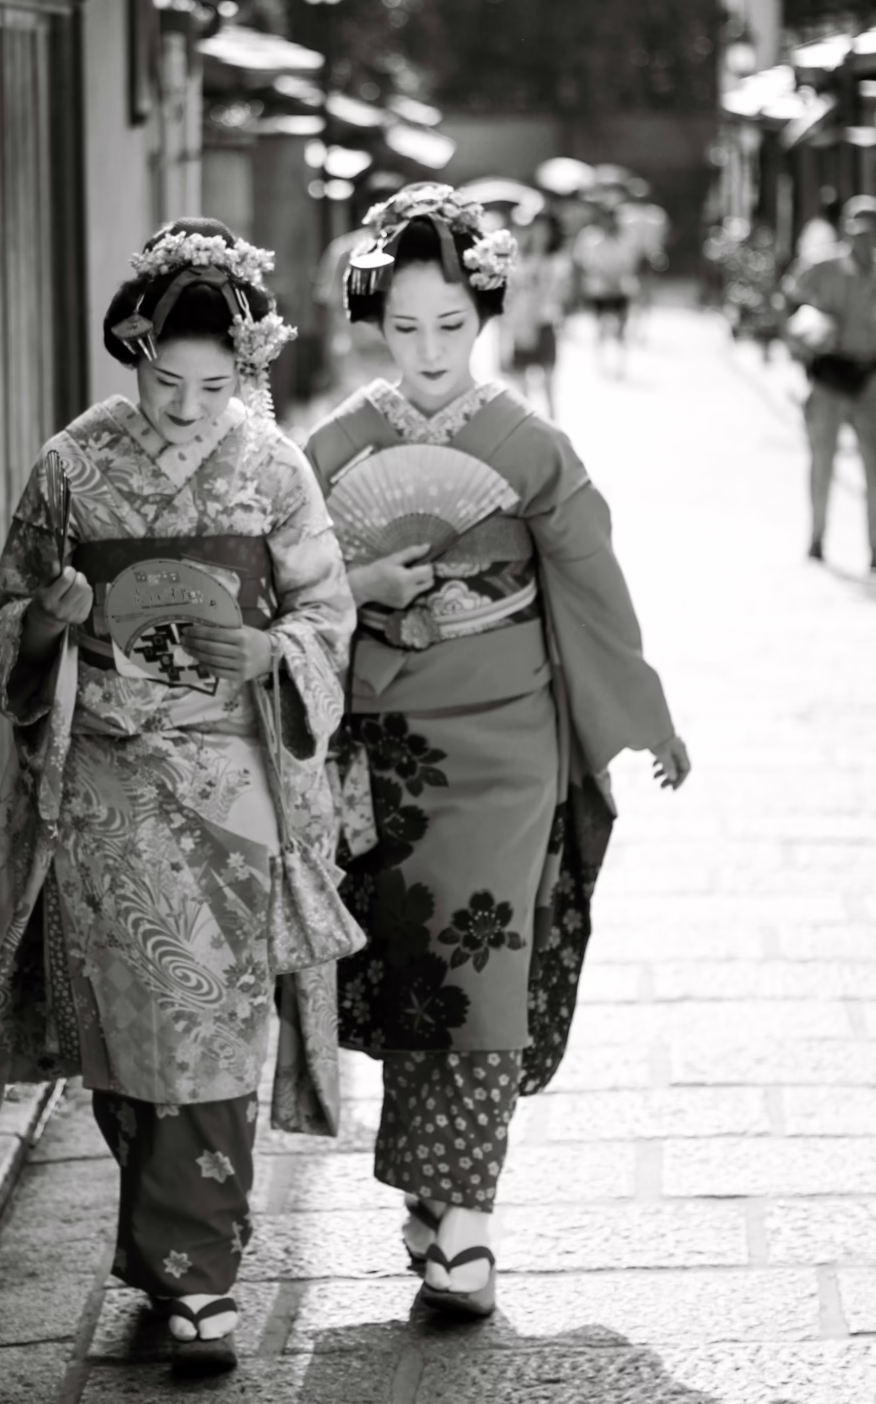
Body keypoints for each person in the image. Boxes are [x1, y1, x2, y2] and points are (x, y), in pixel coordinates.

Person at [0, 218, 357, 1372]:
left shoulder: (274, 465)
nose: (185, 407)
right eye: (165, 381)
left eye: (214, 385)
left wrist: (272, 654)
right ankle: (168, 1260)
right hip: (109, 779)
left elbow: (328, 610)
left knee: (212, 1024)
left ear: (247, 372)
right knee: (132, 1037)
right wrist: (51, 619)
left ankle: (202, 1281)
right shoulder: (71, 465)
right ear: (131, 350)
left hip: (229, 778)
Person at [304, 183, 691, 1320]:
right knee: (413, 966)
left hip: (510, 736)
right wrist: (357, 583)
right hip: (388, 739)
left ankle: (467, 1219)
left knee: (487, 965)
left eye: (452, 326)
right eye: (406, 326)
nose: (428, 353)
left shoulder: (529, 444)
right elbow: (288, 584)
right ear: (378, 320)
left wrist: (643, 715)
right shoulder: (335, 444)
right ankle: (434, 1193)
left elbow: (592, 585)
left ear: (488, 314)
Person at [784, 194, 876, 570]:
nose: (866, 242)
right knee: (822, 461)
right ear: (847, 233)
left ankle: (874, 550)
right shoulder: (822, 265)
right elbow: (789, 297)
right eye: (860, 233)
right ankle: (817, 537)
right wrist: (804, 336)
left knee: (873, 467)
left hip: (870, 378)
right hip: (828, 376)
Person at [502, 209, 573, 418]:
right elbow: (510, 293)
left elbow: (559, 294)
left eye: (545, 230)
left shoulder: (558, 261)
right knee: (522, 384)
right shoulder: (518, 259)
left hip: (544, 323)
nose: (541, 234)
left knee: (548, 382)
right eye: (537, 228)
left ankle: (552, 425)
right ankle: (528, 424)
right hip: (521, 324)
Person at [572, 202, 641, 375]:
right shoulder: (590, 239)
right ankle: (601, 364)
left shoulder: (626, 239)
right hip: (599, 290)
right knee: (599, 328)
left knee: (621, 330)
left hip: (620, 289)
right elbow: (583, 263)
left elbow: (631, 264)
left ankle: (620, 366)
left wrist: (615, 276)